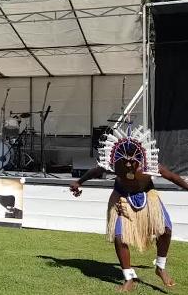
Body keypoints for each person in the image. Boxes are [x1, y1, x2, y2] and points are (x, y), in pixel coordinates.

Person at [69, 124, 188, 292]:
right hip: (122, 198)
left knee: (166, 229)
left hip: (148, 197)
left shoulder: (149, 166)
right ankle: (128, 277)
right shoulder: (115, 164)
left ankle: (160, 267)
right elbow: (96, 171)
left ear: (140, 155)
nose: (129, 164)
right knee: (119, 237)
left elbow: (172, 176)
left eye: (133, 160)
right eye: (125, 160)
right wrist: (78, 182)